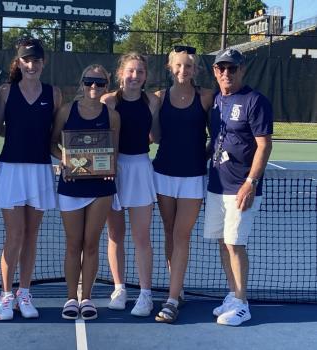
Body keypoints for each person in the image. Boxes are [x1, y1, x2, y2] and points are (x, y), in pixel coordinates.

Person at [0, 38, 62, 321]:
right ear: (19, 62)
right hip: (11, 171)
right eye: (26, 60)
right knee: (15, 235)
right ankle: (6, 296)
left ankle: (24, 292)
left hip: (40, 171)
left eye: (36, 60)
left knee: (32, 235)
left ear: (43, 63)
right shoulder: (6, 91)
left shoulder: (54, 94)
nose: (31, 65)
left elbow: (55, 136)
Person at [204, 48, 272, 326]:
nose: (226, 73)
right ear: (215, 72)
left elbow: (264, 145)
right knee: (223, 242)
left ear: (242, 70)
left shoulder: (255, 101)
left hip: (241, 188)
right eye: (221, 68)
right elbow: (215, 140)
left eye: (232, 68)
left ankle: (243, 303)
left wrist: (251, 183)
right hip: (217, 185)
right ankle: (233, 294)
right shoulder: (217, 101)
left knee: (235, 244)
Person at [51, 64, 120, 320]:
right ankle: (71, 297)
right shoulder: (66, 111)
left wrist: (109, 167)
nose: (94, 87)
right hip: (71, 186)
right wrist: (65, 156)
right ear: (82, 83)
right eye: (89, 81)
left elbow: (114, 150)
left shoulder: (112, 116)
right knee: (73, 244)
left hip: (101, 187)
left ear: (106, 86)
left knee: (91, 244)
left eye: (100, 83)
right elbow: (53, 145)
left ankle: (87, 297)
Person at [152, 45, 213, 323]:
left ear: (195, 70)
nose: (183, 70)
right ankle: (178, 287)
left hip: (192, 178)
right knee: (169, 233)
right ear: (170, 66)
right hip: (163, 174)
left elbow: (219, 135)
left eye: (188, 66)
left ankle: (172, 299)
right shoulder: (158, 98)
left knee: (181, 236)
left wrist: (204, 155)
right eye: (178, 65)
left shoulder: (205, 98)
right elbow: (153, 135)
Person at [101, 53, 159, 316]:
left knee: (141, 237)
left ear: (146, 76)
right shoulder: (108, 101)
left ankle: (145, 294)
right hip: (113, 169)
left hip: (141, 169)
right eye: (130, 71)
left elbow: (156, 136)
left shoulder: (154, 101)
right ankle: (119, 288)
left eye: (140, 72)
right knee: (115, 235)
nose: (135, 76)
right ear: (120, 73)